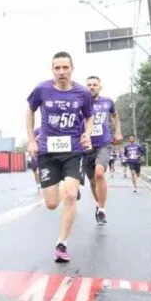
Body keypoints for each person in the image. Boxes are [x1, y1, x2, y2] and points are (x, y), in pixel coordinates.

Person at [26, 51, 93, 263]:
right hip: (48, 151)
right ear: (52, 70)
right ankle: (66, 189)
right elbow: (29, 110)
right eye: (57, 68)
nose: (61, 72)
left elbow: (89, 116)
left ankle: (62, 243)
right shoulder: (42, 89)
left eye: (65, 68)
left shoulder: (82, 93)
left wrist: (87, 134)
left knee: (71, 196)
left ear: (72, 69)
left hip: (73, 150)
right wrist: (31, 139)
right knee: (52, 204)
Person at [83, 76, 122, 225]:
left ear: (100, 87)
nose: (91, 87)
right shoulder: (80, 102)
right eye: (89, 85)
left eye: (94, 84)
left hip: (104, 144)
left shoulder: (107, 101)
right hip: (86, 146)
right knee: (92, 181)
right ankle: (98, 204)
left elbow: (115, 115)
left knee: (99, 173)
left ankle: (102, 210)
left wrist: (117, 131)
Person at [29, 127, 41, 192]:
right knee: (34, 170)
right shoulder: (37, 130)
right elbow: (32, 140)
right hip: (35, 153)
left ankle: (41, 183)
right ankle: (38, 184)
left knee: (39, 170)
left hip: (42, 153)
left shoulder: (48, 129)